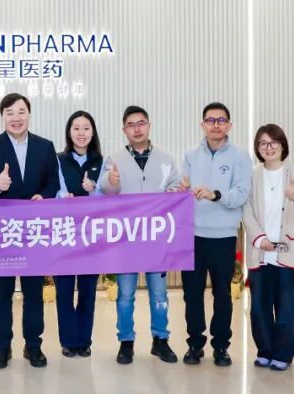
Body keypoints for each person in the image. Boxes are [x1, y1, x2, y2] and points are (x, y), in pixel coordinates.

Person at [0, 93, 60, 369]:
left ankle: (33, 346)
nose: (16, 117)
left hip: (34, 232)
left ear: (29, 114)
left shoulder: (45, 146)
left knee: (33, 292)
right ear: (2, 116)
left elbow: (52, 183)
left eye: (21, 111)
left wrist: (44, 196)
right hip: (4, 231)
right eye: (10, 112)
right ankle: (2, 347)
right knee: (1, 293)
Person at [99, 105, 182, 365]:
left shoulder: (166, 159)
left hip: (157, 238)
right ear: (124, 130)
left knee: (159, 294)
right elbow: (104, 191)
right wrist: (112, 182)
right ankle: (126, 341)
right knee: (125, 295)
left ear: (149, 126)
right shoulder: (114, 159)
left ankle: (160, 339)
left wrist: (175, 191)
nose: (137, 129)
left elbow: (175, 187)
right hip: (126, 239)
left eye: (141, 123)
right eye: (131, 125)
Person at [180, 102, 253, 367]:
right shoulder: (190, 155)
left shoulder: (240, 157)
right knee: (192, 294)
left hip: (223, 236)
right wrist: (181, 190)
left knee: (222, 294)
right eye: (210, 120)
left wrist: (215, 195)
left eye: (221, 120)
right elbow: (181, 189)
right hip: (192, 236)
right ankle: (194, 343)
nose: (215, 125)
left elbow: (241, 194)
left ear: (229, 125)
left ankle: (221, 346)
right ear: (202, 125)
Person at [242, 124, 294, 371]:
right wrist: (258, 237)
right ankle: (264, 349)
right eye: (263, 143)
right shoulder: (253, 174)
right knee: (259, 307)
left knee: (288, 307)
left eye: (273, 142)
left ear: (283, 145)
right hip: (261, 252)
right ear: (257, 148)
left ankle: (283, 353)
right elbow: (246, 209)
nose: (269, 147)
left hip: (289, 251)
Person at [54, 110, 104, 358]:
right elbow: (54, 190)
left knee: (87, 292)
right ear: (69, 132)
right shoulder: (58, 160)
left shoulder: (102, 162)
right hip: (63, 234)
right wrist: (63, 197)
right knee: (64, 292)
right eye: (76, 128)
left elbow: (109, 197)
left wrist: (93, 190)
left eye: (86, 128)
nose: (81, 133)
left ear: (92, 132)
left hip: (91, 237)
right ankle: (68, 341)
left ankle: (84, 340)